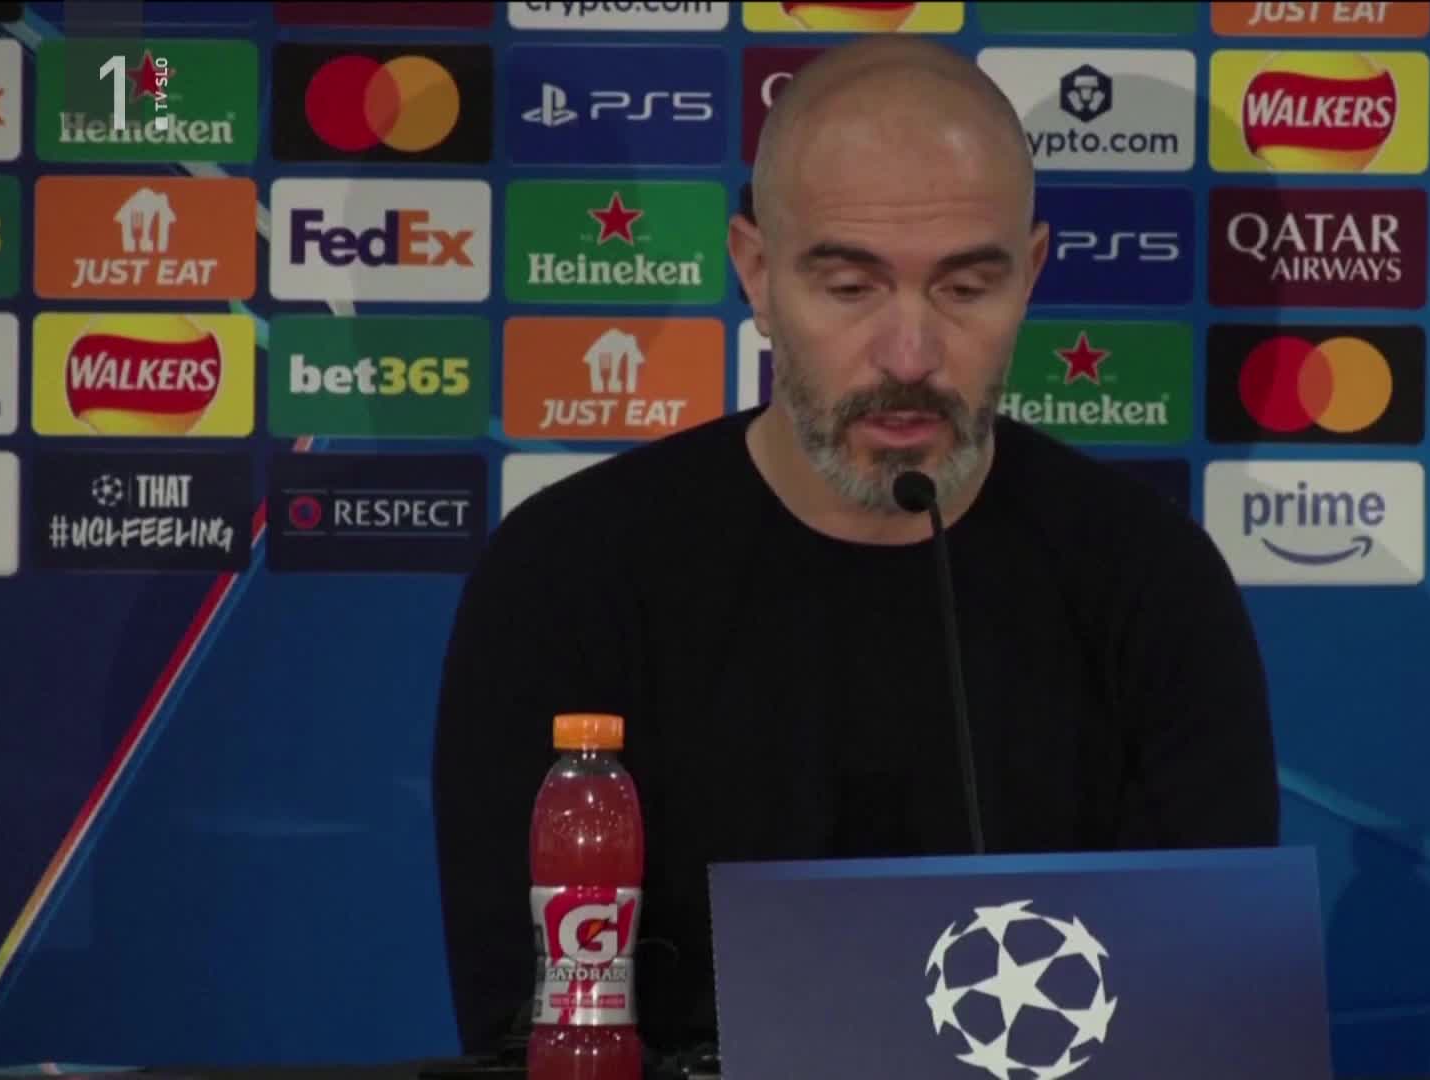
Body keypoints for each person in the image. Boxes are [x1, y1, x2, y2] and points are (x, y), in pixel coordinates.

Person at [431, 36, 1279, 1060]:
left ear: (1031, 276)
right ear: (756, 273)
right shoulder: (565, 575)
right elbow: (525, 1038)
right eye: (849, 288)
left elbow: (1201, 1024)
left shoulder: (1152, 582)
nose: (910, 357)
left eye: (965, 289)